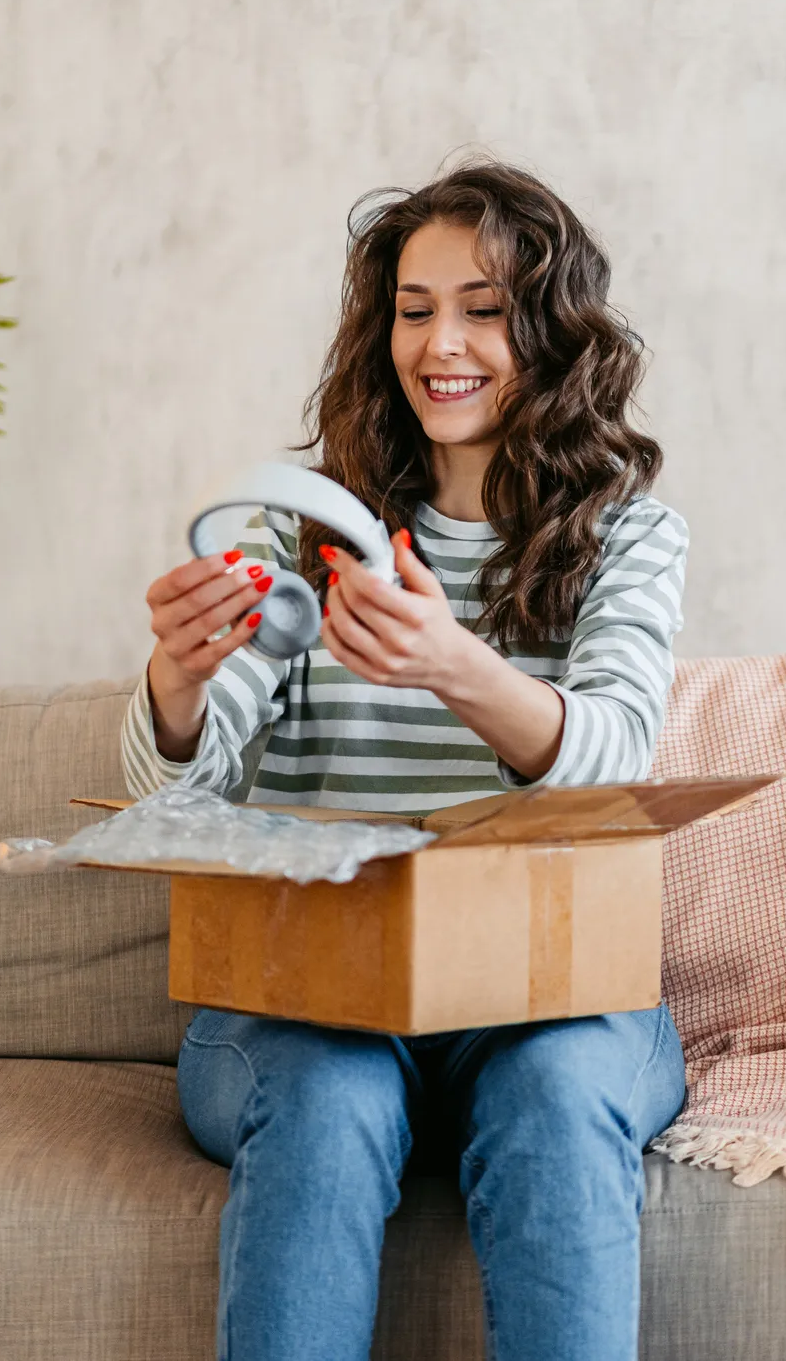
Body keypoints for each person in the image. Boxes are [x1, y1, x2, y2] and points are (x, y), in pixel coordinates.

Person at [123, 161, 689, 1361]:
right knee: (329, 1096)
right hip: (311, 996)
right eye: (415, 307)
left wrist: (456, 665)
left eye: (485, 308)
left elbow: (613, 757)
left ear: (552, 326)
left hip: (547, 993)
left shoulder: (629, 532)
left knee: (549, 1092)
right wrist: (176, 689)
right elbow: (185, 787)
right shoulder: (309, 529)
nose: (445, 343)